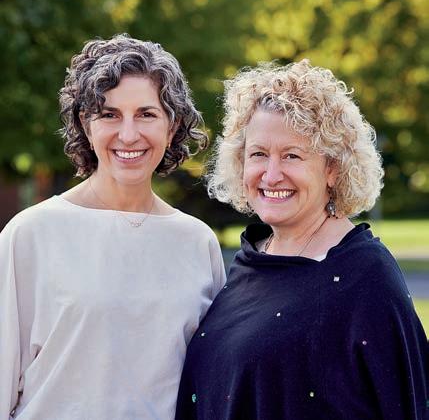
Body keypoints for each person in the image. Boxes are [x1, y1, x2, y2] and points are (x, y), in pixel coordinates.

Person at [175, 60, 429, 420]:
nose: (271, 175)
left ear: (332, 169)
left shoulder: (365, 276)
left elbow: (408, 404)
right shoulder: (249, 263)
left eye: (292, 156)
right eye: (259, 154)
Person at [0, 34, 225, 420]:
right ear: (86, 125)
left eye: (146, 114)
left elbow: (209, 383)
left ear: (172, 126)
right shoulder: (31, 234)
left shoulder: (197, 242)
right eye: (109, 115)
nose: (129, 134)